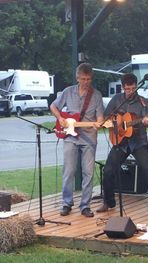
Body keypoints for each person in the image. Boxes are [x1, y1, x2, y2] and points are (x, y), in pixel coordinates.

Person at [96, 73, 148, 216]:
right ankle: (108, 202)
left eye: (133, 88)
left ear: (137, 87)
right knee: (108, 170)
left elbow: (147, 121)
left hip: (139, 142)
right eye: (128, 89)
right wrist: (115, 126)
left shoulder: (143, 102)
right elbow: (106, 117)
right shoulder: (117, 100)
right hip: (120, 141)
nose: (131, 92)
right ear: (123, 88)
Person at [50, 63, 104, 217]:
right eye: (83, 79)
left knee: (88, 173)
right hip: (70, 136)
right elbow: (53, 106)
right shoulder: (68, 92)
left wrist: (100, 123)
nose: (86, 82)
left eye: (89, 79)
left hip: (89, 137)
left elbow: (100, 116)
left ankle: (85, 205)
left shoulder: (97, 95)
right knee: (69, 171)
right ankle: (66, 203)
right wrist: (60, 118)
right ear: (77, 78)